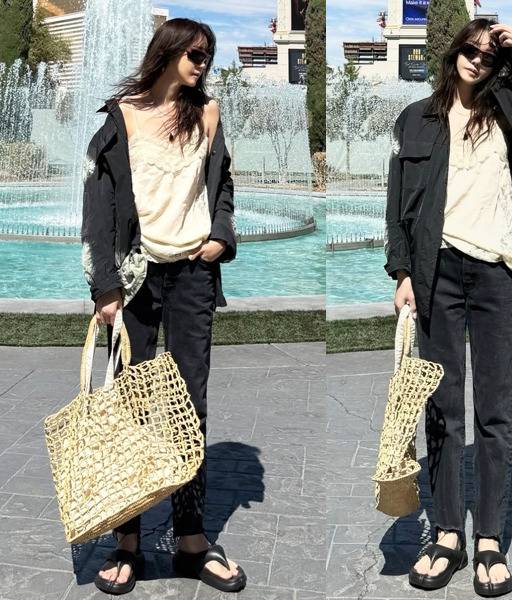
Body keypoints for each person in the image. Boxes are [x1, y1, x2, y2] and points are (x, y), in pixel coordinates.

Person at [384, 18, 512, 598]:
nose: (477, 60)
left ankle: (490, 539)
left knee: (494, 414)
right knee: (443, 408)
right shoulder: (415, 118)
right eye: (470, 51)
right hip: (437, 273)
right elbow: (396, 203)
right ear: (454, 53)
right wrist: (402, 272)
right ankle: (448, 532)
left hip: (498, 272)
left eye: (488, 55)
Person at [81, 18, 246, 595]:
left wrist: (221, 236)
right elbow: (98, 208)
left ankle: (191, 539)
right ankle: (127, 541)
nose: (203, 63)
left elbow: (223, 186)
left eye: (208, 55)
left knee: (188, 407)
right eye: (195, 53)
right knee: (129, 407)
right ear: (168, 51)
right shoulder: (122, 116)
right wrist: (104, 286)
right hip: (135, 279)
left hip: (193, 275)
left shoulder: (208, 113)